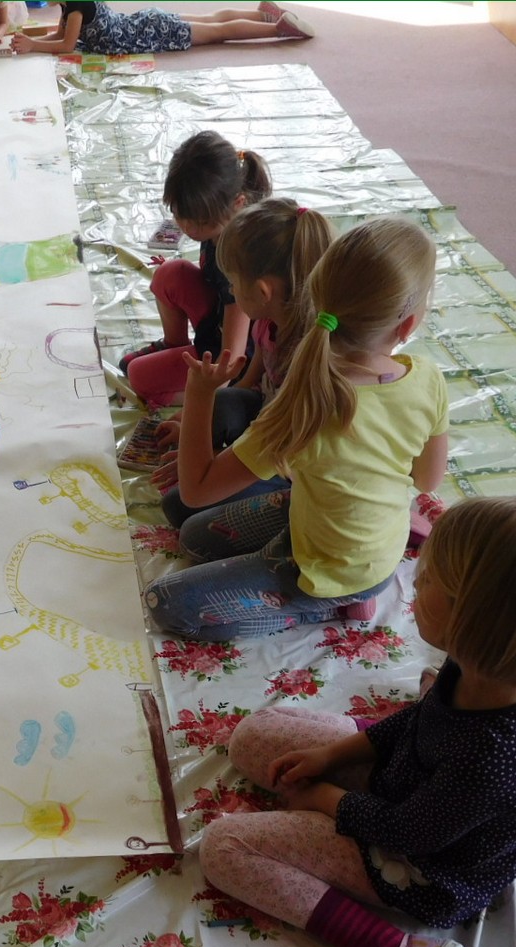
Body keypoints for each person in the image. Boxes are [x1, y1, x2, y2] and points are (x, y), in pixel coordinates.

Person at [198, 495, 516, 947]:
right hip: (413, 785)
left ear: (473, 619)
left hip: (425, 868)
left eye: (430, 578)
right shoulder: (483, 662)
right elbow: (421, 720)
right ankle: (338, 782)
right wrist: (334, 753)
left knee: (224, 847)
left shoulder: (498, 755)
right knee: (254, 737)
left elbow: (408, 833)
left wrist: (326, 798)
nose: (414, 579)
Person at [142, 215, 450, 639]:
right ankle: (336, 578)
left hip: (333, 571)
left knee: (165, 604)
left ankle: (324, 605)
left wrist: (199, 394)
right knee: (190, 530)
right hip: (351, 538)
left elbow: (198, 488)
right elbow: (427, 480)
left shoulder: (304, 401)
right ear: (408, 324)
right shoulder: (427, 377)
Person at [154, 197, 335, 528]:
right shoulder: (267, 320)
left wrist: (200, 406)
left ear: (263, 292)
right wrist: (199, 445)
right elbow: (249, 386)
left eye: (233, 283)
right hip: (268, 427)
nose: (231, 292)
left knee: (181, 510)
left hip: (288, 461)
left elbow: (274, 439)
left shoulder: (310, 358)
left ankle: (283, 506)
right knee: (225, 400)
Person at [119, 135, 273, 410]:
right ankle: (173, 345)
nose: (188, 228)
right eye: (180, 215)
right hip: (216, 323)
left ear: (237, 203)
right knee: (170, 273)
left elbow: (231, 359)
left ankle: (228, 392)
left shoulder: (240, 262)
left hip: (237, 359)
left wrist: (210, 397)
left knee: (137, 376)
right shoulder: (222, 223)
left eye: (199, 222)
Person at [10, 1, 313, 58]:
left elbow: (66, 45)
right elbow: (60, 35)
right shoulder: (69, 5)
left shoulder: (76, 6)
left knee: (218, 31)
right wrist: (29, 40)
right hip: (145, 22)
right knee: (210, 18)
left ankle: (277, 27)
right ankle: (263, 13)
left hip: (150, 32)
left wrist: (33, 46)